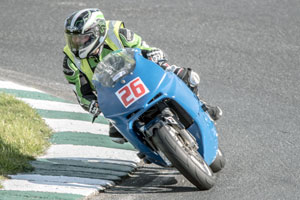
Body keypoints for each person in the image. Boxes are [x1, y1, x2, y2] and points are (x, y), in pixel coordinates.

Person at [63, 8, 222, 144]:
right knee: (117, 135)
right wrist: (91, 104)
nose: (77, 43)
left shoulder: (118, 33)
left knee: (182, 74)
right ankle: (147, 148)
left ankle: (202, 106)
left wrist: (154, 54)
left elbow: (143, 48)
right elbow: (82, 93)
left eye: (82, 38)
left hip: (139, 77)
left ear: (97, 32)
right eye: (73, 39)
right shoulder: (70, 61)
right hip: (114, 95)